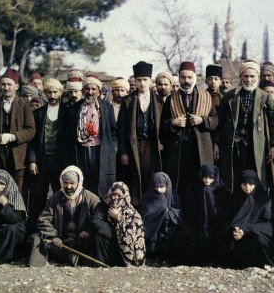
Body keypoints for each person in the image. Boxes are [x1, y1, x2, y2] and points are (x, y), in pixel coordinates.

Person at [214, 60, 274, 193]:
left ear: (257, 77)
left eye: (252, 76)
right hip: (234, 145)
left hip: (256, 146)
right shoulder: (230, 96)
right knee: (235, 178)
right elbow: (219, 122)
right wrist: (216, 143)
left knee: (255, 178)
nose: (249, 80)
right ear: (241, 77)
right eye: (246, 76)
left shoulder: (265, 97)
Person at [160, 61, 218, 195]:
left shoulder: (206, 96)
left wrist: (202, 120)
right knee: (180, 184)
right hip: (178, 149)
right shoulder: (171, 99)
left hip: (201, 148)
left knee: (201, 182)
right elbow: (162, 124)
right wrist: (173, 123)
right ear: (179, 78)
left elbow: (215, 120)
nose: (186, 81)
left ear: (195, 77)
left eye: (189, 77)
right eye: (183, 77)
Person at [28, 166, 100, 267]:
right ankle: (69, 257)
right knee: (38, 239)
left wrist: (88, 229)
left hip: (81, 240)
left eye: (72, 183)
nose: (69, 186)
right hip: (61, 240)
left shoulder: (91, 198)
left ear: (79, 183)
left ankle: (67, 257)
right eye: (66, 183)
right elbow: (44, 220)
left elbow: (99, 219)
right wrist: (54, 236)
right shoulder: (55, 198)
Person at [62, 76, 117, 197]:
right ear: (83, 90)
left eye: (93, 89)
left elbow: (113, 131)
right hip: (81, 150)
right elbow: (68, 134)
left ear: (98, 91)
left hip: (100, 151)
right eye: (87, 89)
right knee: (83, 183)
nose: (90, 92)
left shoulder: (107, 107)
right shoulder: (75, 109)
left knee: (100, 183)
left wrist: (113, 148)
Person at [118, 61, 163, 205]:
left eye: (145, 80)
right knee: (134, 178)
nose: (142, 83)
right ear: (135, 81)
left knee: (151, 176)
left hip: (152, 145)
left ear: (151, 81)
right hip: (134, 145)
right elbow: (122, 128)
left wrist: (161, 143)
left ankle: (150, 207)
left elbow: (164, 125)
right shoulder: (128, 101)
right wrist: (124, 151)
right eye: (139, 80)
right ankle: (136, 208)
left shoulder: (158, 100)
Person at [0, 68, 36, 192]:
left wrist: (12, 137)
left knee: (17, 192)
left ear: (17, 86)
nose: (6, 88)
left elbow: (31, 130)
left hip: (18, 157)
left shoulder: (24, 105)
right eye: (3, 84)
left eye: (9, 84)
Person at [27, 78, 66, 230]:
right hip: (41, 161)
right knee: (39, 196)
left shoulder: (67, 112)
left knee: (59, 194)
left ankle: (58, 227)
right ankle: (37, 228)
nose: (52, 95)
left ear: (60, 93)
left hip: (59, 161)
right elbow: (33, 139)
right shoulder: (38, 114)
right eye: (49, 92)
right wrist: (32, 160)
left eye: (55, 92)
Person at [173, 165, 226, 266]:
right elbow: (188, 210)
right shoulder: (193, 188)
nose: (207, 181)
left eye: (211, 178)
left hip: (214, 226)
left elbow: (223, 213)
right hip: (196, 225)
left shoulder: (220, 191)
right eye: (205, 177)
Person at [224, 170, 274, 268]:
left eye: (251, 184)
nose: (247, 188)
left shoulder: (264, 200)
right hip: (236, 234)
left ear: (256, 183)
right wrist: (235, 230)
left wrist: (245, 230)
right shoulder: (235, 198)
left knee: (260, 242)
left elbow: (267, 225)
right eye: (244, 184)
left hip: (255, 234)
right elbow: (227, 219)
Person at [89, 182, 146, 266]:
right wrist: (115, 231)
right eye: (114, 195)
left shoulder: (131, 211)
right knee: (98, 237)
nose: (116, 198)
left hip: (124, 246)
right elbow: (95, 222)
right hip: (110, 242)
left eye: (119, 195)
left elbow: (134, 229)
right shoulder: (103, 206)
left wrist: (118, 217)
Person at [139, 172, 181, 260]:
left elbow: (179, 214)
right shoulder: (147, 197)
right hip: (151, 232)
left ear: (167, 185)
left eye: (162, 187)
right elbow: (145, 215)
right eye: (156, 187)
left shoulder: (174, 197)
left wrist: (169, 212)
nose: (159, 190)